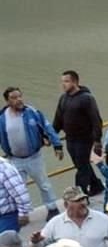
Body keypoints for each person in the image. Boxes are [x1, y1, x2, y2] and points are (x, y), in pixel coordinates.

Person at [0, 86, 63, 220]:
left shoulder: (33, 112)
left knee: (44, 184)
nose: (18, 100)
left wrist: (57, 144)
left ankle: (52, 208)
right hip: (14, 159)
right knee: (16, 189)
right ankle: (21, 213)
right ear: (7, 101)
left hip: (34, 157)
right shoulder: (2, 119)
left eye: (19, 96)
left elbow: (47, 127)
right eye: (14, 98)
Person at [52, 70, 104, 196]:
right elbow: (58, 118)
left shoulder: (87, 98)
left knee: (81, 167)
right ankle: (97, 185)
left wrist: (97, 140)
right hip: (70, 139)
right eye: (62, 81)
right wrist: (52, 135)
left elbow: (96, 120)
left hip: (85, 139)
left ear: (75, 82)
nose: (63, 84)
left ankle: (80, 193)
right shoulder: (63, 98)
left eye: (66, 81)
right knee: (81, 165)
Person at [0, 159, 31, 233]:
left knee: (5, 243)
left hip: (7, 216)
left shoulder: (4, 168)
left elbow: (20, 192)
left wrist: (23, 213)